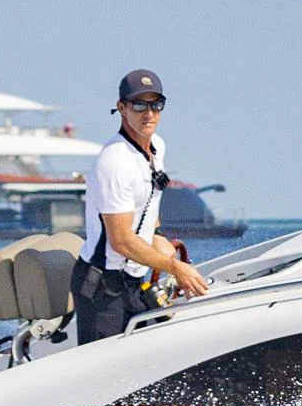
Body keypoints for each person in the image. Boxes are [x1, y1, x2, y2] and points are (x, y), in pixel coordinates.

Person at [73, 68, 208, 342]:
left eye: (156, 105)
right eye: (139, 105)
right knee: (104, 373)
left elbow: (148, 203)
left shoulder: (157, 147)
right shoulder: (114, 162)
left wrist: (157, 237)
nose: (149, 113)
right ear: (121, 108)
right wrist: (175, 267)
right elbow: (121, 241)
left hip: (134, 279)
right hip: (102, 286)